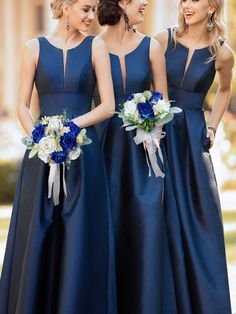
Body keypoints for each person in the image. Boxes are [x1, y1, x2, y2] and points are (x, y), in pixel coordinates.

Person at [0, 0, 116, 313]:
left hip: (83, 155)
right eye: (86, 9)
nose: (92, 16)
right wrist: (40, 137)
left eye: (94, 10)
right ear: (65, 7)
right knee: (40, 230)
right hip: (42, 156)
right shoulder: (33, 47)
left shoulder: (97, 47)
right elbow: (22, 104)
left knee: (79, 234)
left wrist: (69, 128)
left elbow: (108, 105)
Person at [97, 0, 177, 313]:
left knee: (145, 223)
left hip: (145, 150)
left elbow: (164, 101)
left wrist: (152, 121)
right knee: (108, 226)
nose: (145, 3)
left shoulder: (151, 47)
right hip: (103, 150)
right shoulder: (94, 46)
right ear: (118, 4)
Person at [155, 0, 234, 313]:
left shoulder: (223, 53)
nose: (186, 5)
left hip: (192, 137)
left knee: (199, 215)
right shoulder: (163, 40)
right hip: (158, 132)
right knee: (160, 211)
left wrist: (212, 126)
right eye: (183, 0)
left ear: (212, 7)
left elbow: (225, 91)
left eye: (194, 0)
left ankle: (203, 299)